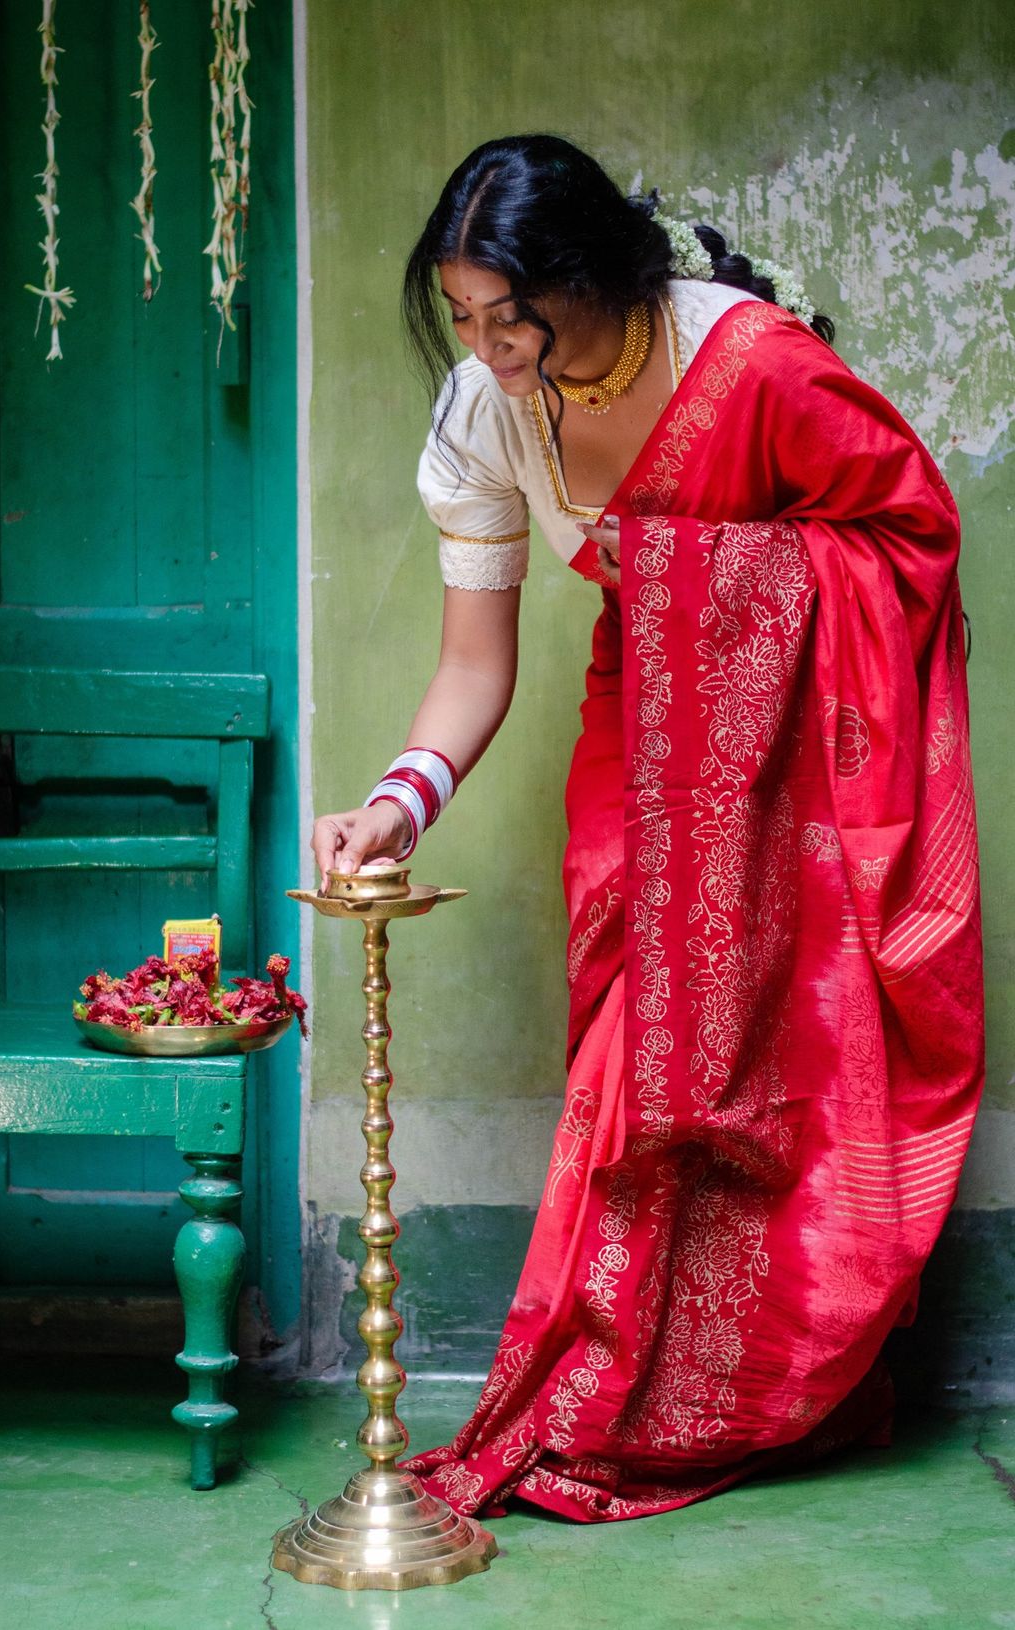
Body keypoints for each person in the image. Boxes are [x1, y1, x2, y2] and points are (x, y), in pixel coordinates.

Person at [310, 135, 984, 1523]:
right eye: (465, 320)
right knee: (640, 1025)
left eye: (515, 318)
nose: (490, 351)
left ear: (599, 278)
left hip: (795, 745)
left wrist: (706, 582)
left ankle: (776, 1385)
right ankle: (615, 1380)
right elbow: (475, 665)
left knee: (788, 1042)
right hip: (646, 725)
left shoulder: (753, 361)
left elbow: (911, 536)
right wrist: (396, 799)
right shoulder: (484, 417)